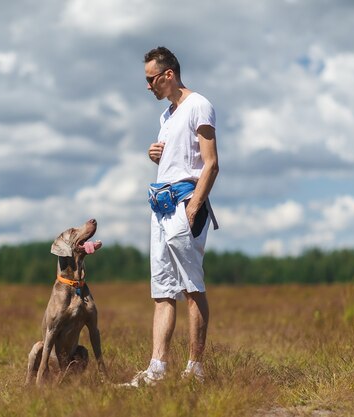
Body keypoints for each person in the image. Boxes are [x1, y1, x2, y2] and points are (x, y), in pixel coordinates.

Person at [125, 46, 219, 387]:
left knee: (192, 287)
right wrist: (156, 156)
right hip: (159, 209)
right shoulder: (166, 116)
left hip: (185, 206)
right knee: (163, 291)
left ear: (168, 75)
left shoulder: (199, 105)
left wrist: (194, 206)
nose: (148, 86)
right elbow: (177, 159)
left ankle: (195, 371)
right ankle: (157, 371)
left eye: (151, 80)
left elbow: (210, 163)